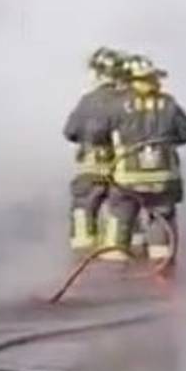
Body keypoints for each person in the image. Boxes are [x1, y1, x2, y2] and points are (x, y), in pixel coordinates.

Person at [101, 55, 186, 275]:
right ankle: (162, 272)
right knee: (161, 219)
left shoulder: (116, 105)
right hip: (163, 177)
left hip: (127, 178)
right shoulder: (169, 103)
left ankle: (113, 273)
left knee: (121, 218)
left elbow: (99, 134)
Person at [62, 47, 127, 258]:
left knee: (83, 213)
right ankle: (121, 261)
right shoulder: (128, 100)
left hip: (91, 169)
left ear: (98, 73)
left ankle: (84, 262)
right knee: (123, 216)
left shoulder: (88, 101)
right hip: (125, 172)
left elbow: (70, 132)